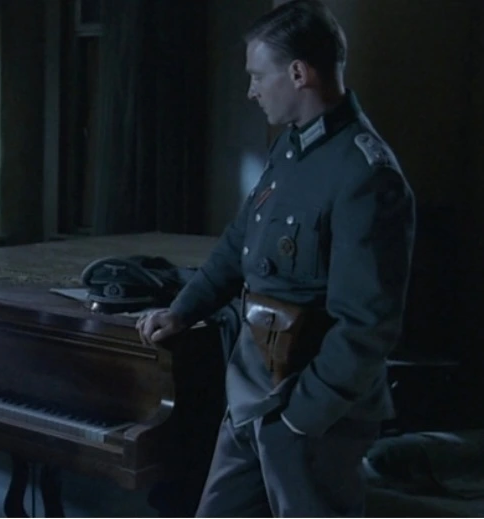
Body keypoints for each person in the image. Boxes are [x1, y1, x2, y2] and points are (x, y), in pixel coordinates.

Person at [137, 0, 415, 516]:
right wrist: (182, 310)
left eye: (257, 76)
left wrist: (298, 418)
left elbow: (367, 326)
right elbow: (238, 244)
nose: (251, 90)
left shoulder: (365, 174)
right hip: (253, 390)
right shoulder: (289, 150)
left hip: (313, 412)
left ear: (298, 73)